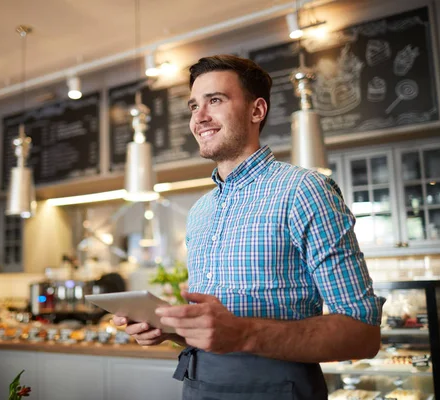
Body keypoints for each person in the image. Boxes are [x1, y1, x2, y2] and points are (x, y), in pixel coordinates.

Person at [114, 55, 384, 399]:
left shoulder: (304, 191)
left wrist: (244, 334)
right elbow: (218, 332)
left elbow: (362, 333)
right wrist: (173, 329)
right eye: (194, 105)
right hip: (197, 386)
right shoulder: (201, 212)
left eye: (215, 100)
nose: (199, 117)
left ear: (257, 111)